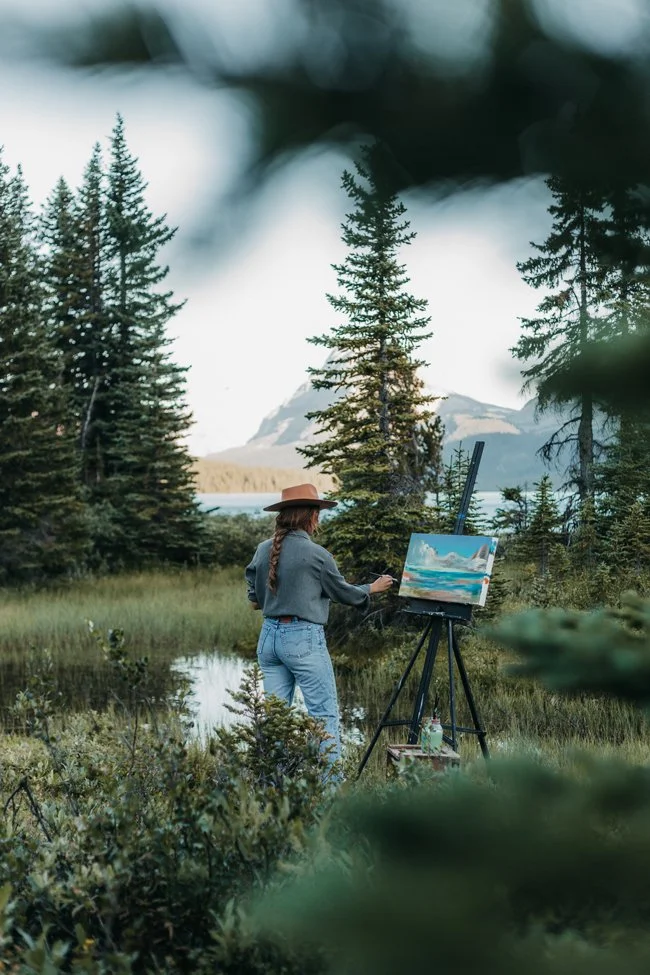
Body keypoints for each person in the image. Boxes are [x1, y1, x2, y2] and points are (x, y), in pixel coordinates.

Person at [245, 483, 393, 778]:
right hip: (302, 640)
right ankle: (330, 791)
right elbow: (343, 592)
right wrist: (372, 588)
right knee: (323, 716)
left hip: (269, 639)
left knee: (274, 720)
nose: (318, 519)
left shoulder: (263, 549)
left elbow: (254, 598)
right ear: (311, 516)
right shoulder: (317, 554)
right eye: (318, 514)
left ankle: (270, 787)